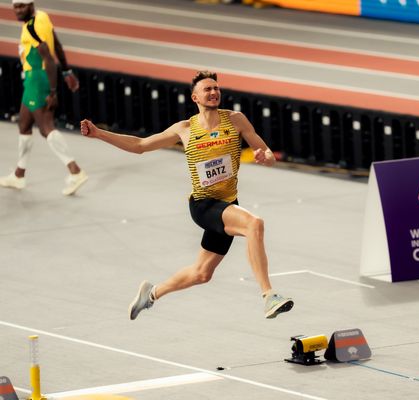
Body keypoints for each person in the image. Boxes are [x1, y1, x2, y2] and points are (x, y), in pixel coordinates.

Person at [80, 70, 294, 320]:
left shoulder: (236, 120)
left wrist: (263, 157)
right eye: (207, 89)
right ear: (195, 98)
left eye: (216, 88)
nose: (214, 92)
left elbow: (268, 156)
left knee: (202, 273)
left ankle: (151, 294)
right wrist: (99, 134)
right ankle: (268, 296)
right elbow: (139, 146)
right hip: (203, 205)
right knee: (254, 224)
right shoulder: (184, 129)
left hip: (227, 204)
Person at [0, 0, 87, 196]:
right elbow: (57, 44)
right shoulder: (43, 17)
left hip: (38, 79)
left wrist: (53, 92)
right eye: (15, 7)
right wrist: (67, 71)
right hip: (34, 79)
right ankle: (19, 175)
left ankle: (75, 171)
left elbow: (48, 57)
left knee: (46, 127)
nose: (17, 11)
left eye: (22, 7)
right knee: (24, 124)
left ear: (31, 5)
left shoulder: (32, 28)